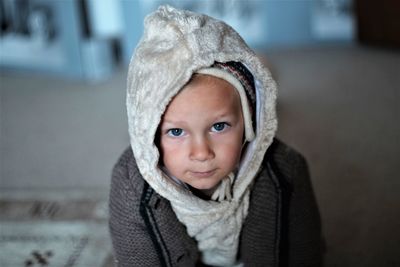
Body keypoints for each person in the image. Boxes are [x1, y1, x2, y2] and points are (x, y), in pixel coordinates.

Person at [109, 5, 323, 267]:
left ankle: (263, 71)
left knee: (261, 80)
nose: (201, 153)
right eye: (176, 131)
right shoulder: (131, 185)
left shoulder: (285, 171)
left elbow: (305, 252)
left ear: (247, 123)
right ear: (149, 135)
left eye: (219, 126)